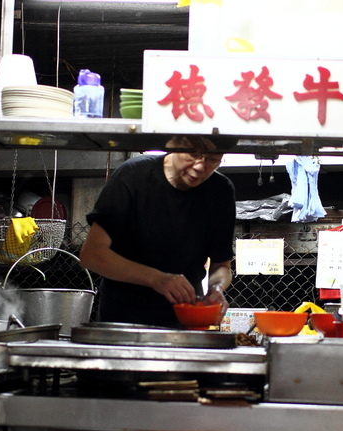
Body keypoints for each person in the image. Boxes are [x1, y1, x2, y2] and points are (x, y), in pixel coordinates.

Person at [80, 135, 236, 328]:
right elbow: (92, 255)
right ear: (173, 144)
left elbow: (222, 265)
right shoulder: (134, 175)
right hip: (123, 320)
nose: (200, 167)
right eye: (194, 155)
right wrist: (158, 279)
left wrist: (216, 288)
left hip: (184, 319)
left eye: (213, 160)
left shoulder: (220, 191)